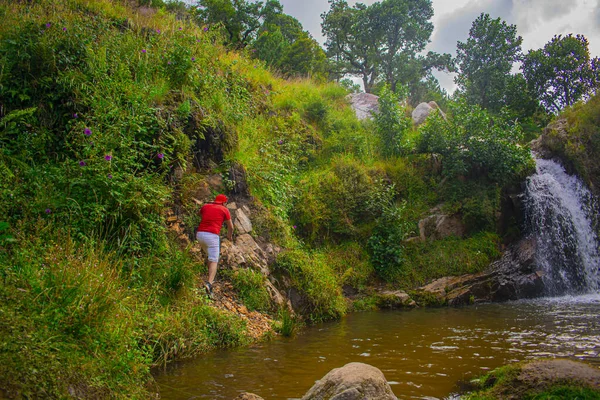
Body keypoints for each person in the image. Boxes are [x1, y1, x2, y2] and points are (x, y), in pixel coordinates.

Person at [196, 194, 233, 296]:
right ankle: (209, 283)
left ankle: (208, 277)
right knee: (214, 260)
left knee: (210, 256)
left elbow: (199, 214)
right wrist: (229, 236)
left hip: (199, 235)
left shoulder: (206, 206)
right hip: (212, 236)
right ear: (224, 202)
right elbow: (231, 227)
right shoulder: (224, 210)